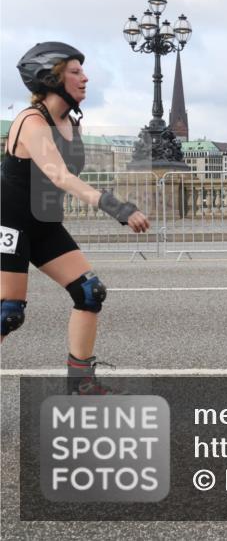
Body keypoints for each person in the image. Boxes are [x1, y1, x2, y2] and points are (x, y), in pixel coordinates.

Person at [1, 42, 151, 394]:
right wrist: (118, 207)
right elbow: (60, 176)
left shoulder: (70, 123)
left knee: (89, 292)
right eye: (75, 71)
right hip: (9, 223)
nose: (85, 77)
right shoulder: (31, 121)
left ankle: (81, 385)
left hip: (43, 225)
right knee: (7, 313)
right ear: (50, 77)